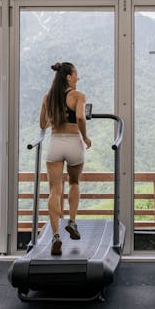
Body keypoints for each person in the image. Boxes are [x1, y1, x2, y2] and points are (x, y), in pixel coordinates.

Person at [39, 62, 92, 256]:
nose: (78, 78)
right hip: (73, 142)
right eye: (76, 74)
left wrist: (55, 116)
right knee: (74, 182)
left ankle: (55, 235)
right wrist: (85, 137)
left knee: (54, 189)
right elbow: (80, 118)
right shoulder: (78, 96)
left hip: (55, 143)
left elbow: (42, 124)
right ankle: (72, 221)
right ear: (68, 77)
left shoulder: (48, 98)